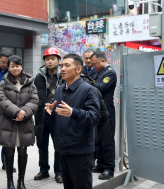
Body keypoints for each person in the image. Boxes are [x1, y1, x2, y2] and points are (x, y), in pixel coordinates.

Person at [45, 53, 100, 189]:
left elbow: (94, 117)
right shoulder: (60, 89)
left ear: (78, 69)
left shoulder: (88, 90)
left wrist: (73, 112)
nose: (62, 69)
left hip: (80, 152)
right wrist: (49, 112)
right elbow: (53, 114)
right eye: (62, 66)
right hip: (63, 149)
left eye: (67, 66)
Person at [0, 55, 39, 189]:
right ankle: (10, 181)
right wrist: (16, 111)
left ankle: (21, 181)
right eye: (12, 66)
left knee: (22, 151)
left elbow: (35, 101)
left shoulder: (30, 82)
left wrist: (23, 112)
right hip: (8, 122)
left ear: (22, 67)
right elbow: (1, 100)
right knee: (9, 151)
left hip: (24, 122)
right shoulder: (3, 83)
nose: (15, 68)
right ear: (8, 67)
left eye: (17, 65)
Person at [33, 47, 63, 183]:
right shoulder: (38, 77)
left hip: (58, 115)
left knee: (58, 145)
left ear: (58, 60)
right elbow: (33, 95)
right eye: (47, 59)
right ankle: (44, 170)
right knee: (42, 144)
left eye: (53, 59)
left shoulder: (63, 75)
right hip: (41, 116)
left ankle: (59, 172)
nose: (50, 62)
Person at [90, 51, 117, 180]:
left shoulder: (110, 73)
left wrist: (88, 83)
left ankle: (109, 168)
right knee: (98, 141)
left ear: (102, 61)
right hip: (98, 112)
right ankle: (100, 164)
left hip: (107, 113)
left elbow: (100, 87)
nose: (93, 66)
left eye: (94, 64)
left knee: (107, 142)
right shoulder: (97, 73)